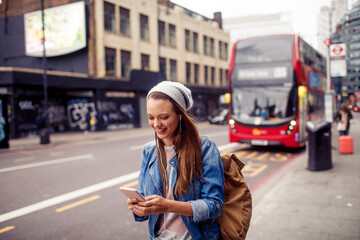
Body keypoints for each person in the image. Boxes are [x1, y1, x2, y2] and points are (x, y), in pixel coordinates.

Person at [127, 81, 224, 240]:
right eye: (151, 117)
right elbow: (144, 198)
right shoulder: (149, 151)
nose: (157, 124)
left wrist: (169, 206)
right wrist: (138, 207)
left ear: (180, 115)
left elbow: (214, 205)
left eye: (164, 117)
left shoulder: (205, 148)